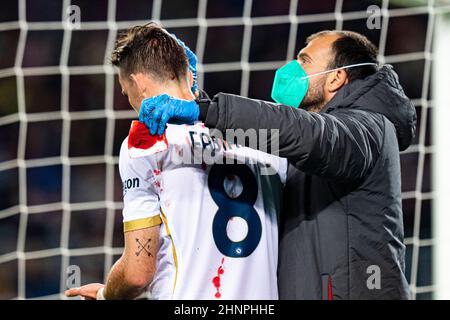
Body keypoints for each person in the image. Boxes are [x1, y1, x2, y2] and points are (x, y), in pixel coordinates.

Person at [139, 30, 416, 299]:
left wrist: (208, 109)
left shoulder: (370, 128)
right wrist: (193, 96)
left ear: (336, 79)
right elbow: (261, 136)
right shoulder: (303, 142)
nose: (291, 70)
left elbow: (310, 135)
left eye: (304, 61)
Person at [65, 23, 286, 300]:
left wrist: (105, 294)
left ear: (139, 83)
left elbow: (137, 274)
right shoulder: (267, 138)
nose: (130, 100)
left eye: (126, 91)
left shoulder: (146, 143)